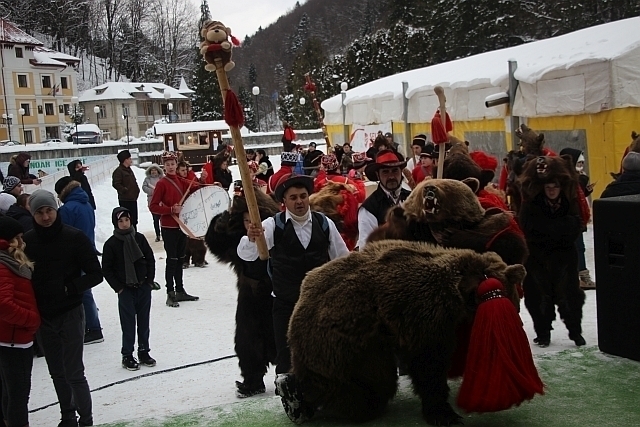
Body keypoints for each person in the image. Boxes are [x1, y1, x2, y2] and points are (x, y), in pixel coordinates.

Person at [238, 174, 349, 421]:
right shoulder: (270, 225)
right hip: (285, 304)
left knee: (321, 352)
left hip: (318, 303)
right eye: (293, 198)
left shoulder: (324, 224)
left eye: (303, 196)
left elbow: (342, 258)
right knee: (287, 360)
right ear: (283, 202)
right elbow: (246, 255)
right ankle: (295, 405)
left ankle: (324, 398)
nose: (299, 202)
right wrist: (251, 237)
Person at [24, 189, 103, 427]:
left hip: (70, 312)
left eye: (49, 210)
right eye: (40, 212)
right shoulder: (27, 241)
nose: (46, 217)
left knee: (74, 372)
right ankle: (67, 415)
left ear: (56, 210)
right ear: (33, 214)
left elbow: (95, 274)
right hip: (44, 316)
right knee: (56, 372)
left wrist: (70, 287)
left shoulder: (74, 237)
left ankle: (86, 420)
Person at [205, 188, 280, 398]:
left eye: (253, 220)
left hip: (277, 293)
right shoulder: (238, 234)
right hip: (250, 294)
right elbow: (218, 247)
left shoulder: (277, 228)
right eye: (246, 221)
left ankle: (285, 377)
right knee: (247, 340)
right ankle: (252, 380)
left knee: (280, 337)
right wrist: (217, 228)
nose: (251, 225)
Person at [518, 176, 586, 348]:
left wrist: (550, 229)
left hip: (564, 257)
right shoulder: (532, 205)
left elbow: (575, 227)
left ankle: (575, 332)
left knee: (569, 297)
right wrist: (557, 229)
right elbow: (527, 228)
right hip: (538, 258)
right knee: (538, 297)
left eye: (555, 186)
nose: (551, 190)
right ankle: (543, 334)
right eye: (548, 187)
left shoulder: (569, 202)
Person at [102, 207, 156, 371]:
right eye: (120, 221)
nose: (124, 224)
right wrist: (118, 288)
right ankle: (127, 354)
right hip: (126, 290)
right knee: (128, 324)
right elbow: (107, 269)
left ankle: (143, 350)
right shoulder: (111, 244)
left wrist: (149, 281)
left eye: (127, 220)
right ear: (115, 223)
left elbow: (149, 259)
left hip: (143, 287)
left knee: (144, 321)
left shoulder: (139, 238)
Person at [0, 216, 40, 427]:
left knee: (10, 392)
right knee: (17, 394)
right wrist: (30, 319)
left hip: (13, 337)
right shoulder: (3, 264)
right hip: (14, 339)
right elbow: (3, 304)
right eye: (20, 238)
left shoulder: (8, 261)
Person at [55, 176, 104, 345]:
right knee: (85, 289)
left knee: (82, 292)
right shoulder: (86, 204)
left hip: (74, 255)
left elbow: (62, 235)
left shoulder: (67, 209)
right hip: (87, 249)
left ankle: (93, 328)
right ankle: (91, 324)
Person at [149, 152, 200, 307]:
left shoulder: (180, 180)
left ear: (176, 165)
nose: (170, 167)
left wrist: (206, 181)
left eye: (173, 163)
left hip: (181, 226)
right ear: (163, 167)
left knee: (180, 259)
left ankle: (180, 290)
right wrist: (171, 209)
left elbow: (195, 188)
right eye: (167, 164)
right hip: (169, 227)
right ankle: (170, 293)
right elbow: (153, 206)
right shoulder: (161, 184)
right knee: (172, 260)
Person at [356, 150, 412, 249]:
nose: (391, 176)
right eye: (385, 172)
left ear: (401, 172)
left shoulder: (413, 199)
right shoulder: (369, 208)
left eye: (395, 171)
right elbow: (366, 247)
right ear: (378, 175)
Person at [560, 148, 596, 290]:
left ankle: (580, 276)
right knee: (576, 248)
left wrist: (585, 190)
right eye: (579, 163)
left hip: (577, 219)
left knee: (579, 248)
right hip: (571, 220)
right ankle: (577, 277)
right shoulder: (566, 178)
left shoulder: (575, 177)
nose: (581, 167)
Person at [112, 150, 140, 227]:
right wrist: (125, 190)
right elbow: (116, 184)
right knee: (128, 220)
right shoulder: (118, 171)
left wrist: (136, 190)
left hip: (133, 199)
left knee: (134, 220)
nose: (131, 160)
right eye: (129, 159)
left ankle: (134, 236)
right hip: (125, 200)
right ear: (125, 160)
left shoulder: (129, 170)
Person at [142, 164, 164, 242]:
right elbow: (144, 187)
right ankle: (157, 234)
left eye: (155, 170)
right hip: (152, 201)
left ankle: (164, 234)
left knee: (163, 219)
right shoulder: (147, 179)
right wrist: (153, 191)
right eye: (152, 170)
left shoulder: (162, 178)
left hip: (161, 202)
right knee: (155, 219)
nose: (153, 171)